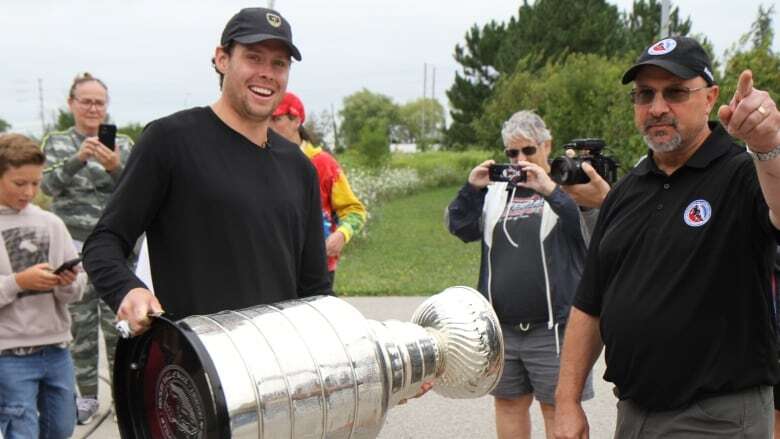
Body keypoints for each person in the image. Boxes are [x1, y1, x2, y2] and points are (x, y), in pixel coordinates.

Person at [554, 36, 780, 439]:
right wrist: (567, 400)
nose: (657, 107)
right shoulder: (627, 190)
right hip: (634, 416)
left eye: (674, 92)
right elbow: (590, 303)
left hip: (716, 420)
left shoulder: (741, 174)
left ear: (710, 97)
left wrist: (768, 148)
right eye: (645, 94)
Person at [82, 7, 331, 337]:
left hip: (280, 369)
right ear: (222, 59)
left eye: (279, 64)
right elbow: (104, 242)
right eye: (253, 58)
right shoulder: (170, 140)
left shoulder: (299, 167)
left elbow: (315, 290)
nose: (267, 73)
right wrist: (128, 289)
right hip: (198, 367)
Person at [446, 110, 605, 439]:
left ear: (547, 146)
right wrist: (471, 190)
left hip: (555, 329)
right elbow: (459, 227)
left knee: (559, 409)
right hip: (503, 328)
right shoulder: (496, 193)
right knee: (507, 403)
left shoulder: (570, 190)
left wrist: (551, 190)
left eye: (529, 150)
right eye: (512, 153)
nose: (520, 159)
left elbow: (586, 233)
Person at [40, 72, 133, 425]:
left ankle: (126, 396)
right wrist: (79, 158)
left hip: (115, 249)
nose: (94, 108)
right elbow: (46, 185)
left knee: (119, 326)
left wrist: (115, 167)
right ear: (71, 104)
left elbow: (138, 191)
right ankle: (88, 398)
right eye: (86, 101)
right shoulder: (57, 142)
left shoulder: (122, 143)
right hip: (72, 250)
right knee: (79, 327)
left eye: (100, 102)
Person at [0, 133, 87, 439]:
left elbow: (76, 291)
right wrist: (17, 282)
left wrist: (67, 283)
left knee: (61, 428)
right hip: (8, 354)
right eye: (19, 183)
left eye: (35, 183)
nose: (29, 191)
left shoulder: (51, 222)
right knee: (21, 430)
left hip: (57, 349)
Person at [270, 92, 367, 284]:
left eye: (276, 118)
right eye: (265, 118)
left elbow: (355, 211)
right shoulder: (261, 160)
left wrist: (341, 234)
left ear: (296, 120)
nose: (268, 125)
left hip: (317, 269)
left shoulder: (323, 164)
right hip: (274, 269)